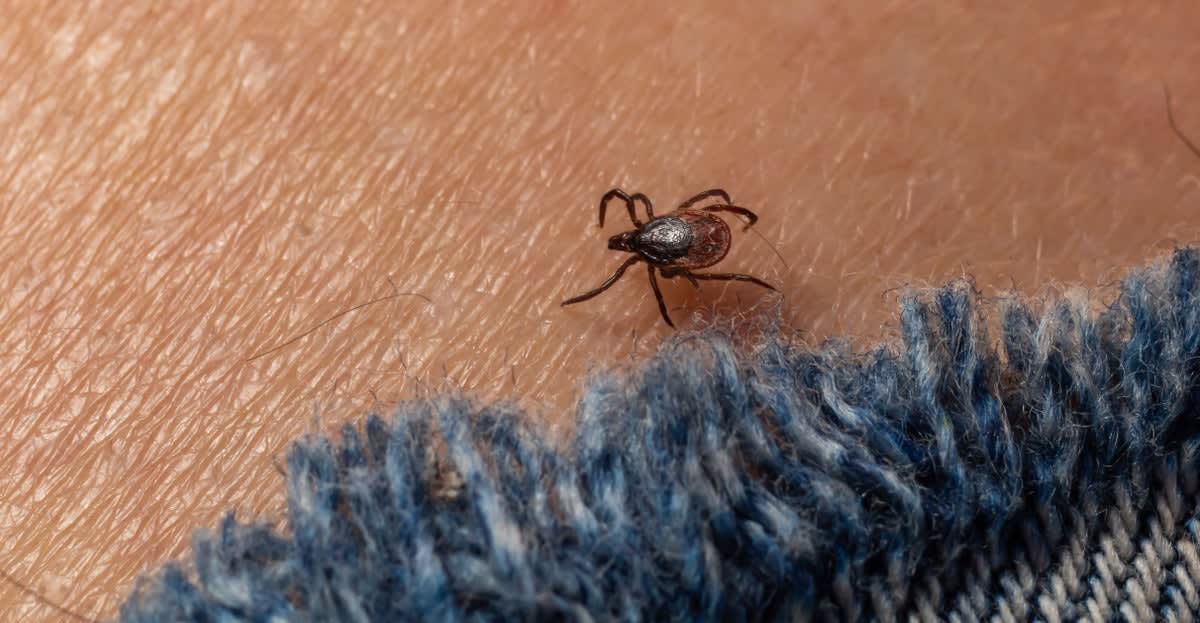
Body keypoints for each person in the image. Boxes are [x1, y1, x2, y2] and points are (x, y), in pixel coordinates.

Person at [3, 2, 1199, 620]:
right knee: (707, 271)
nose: (636, 245)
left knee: (707, 282)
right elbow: (699, 222)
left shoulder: (667, 253)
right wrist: (705, 248)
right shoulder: (665, 233)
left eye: (635, 241)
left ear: (649, 235)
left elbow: (700, 234)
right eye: (637, 245)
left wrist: (709, 268)